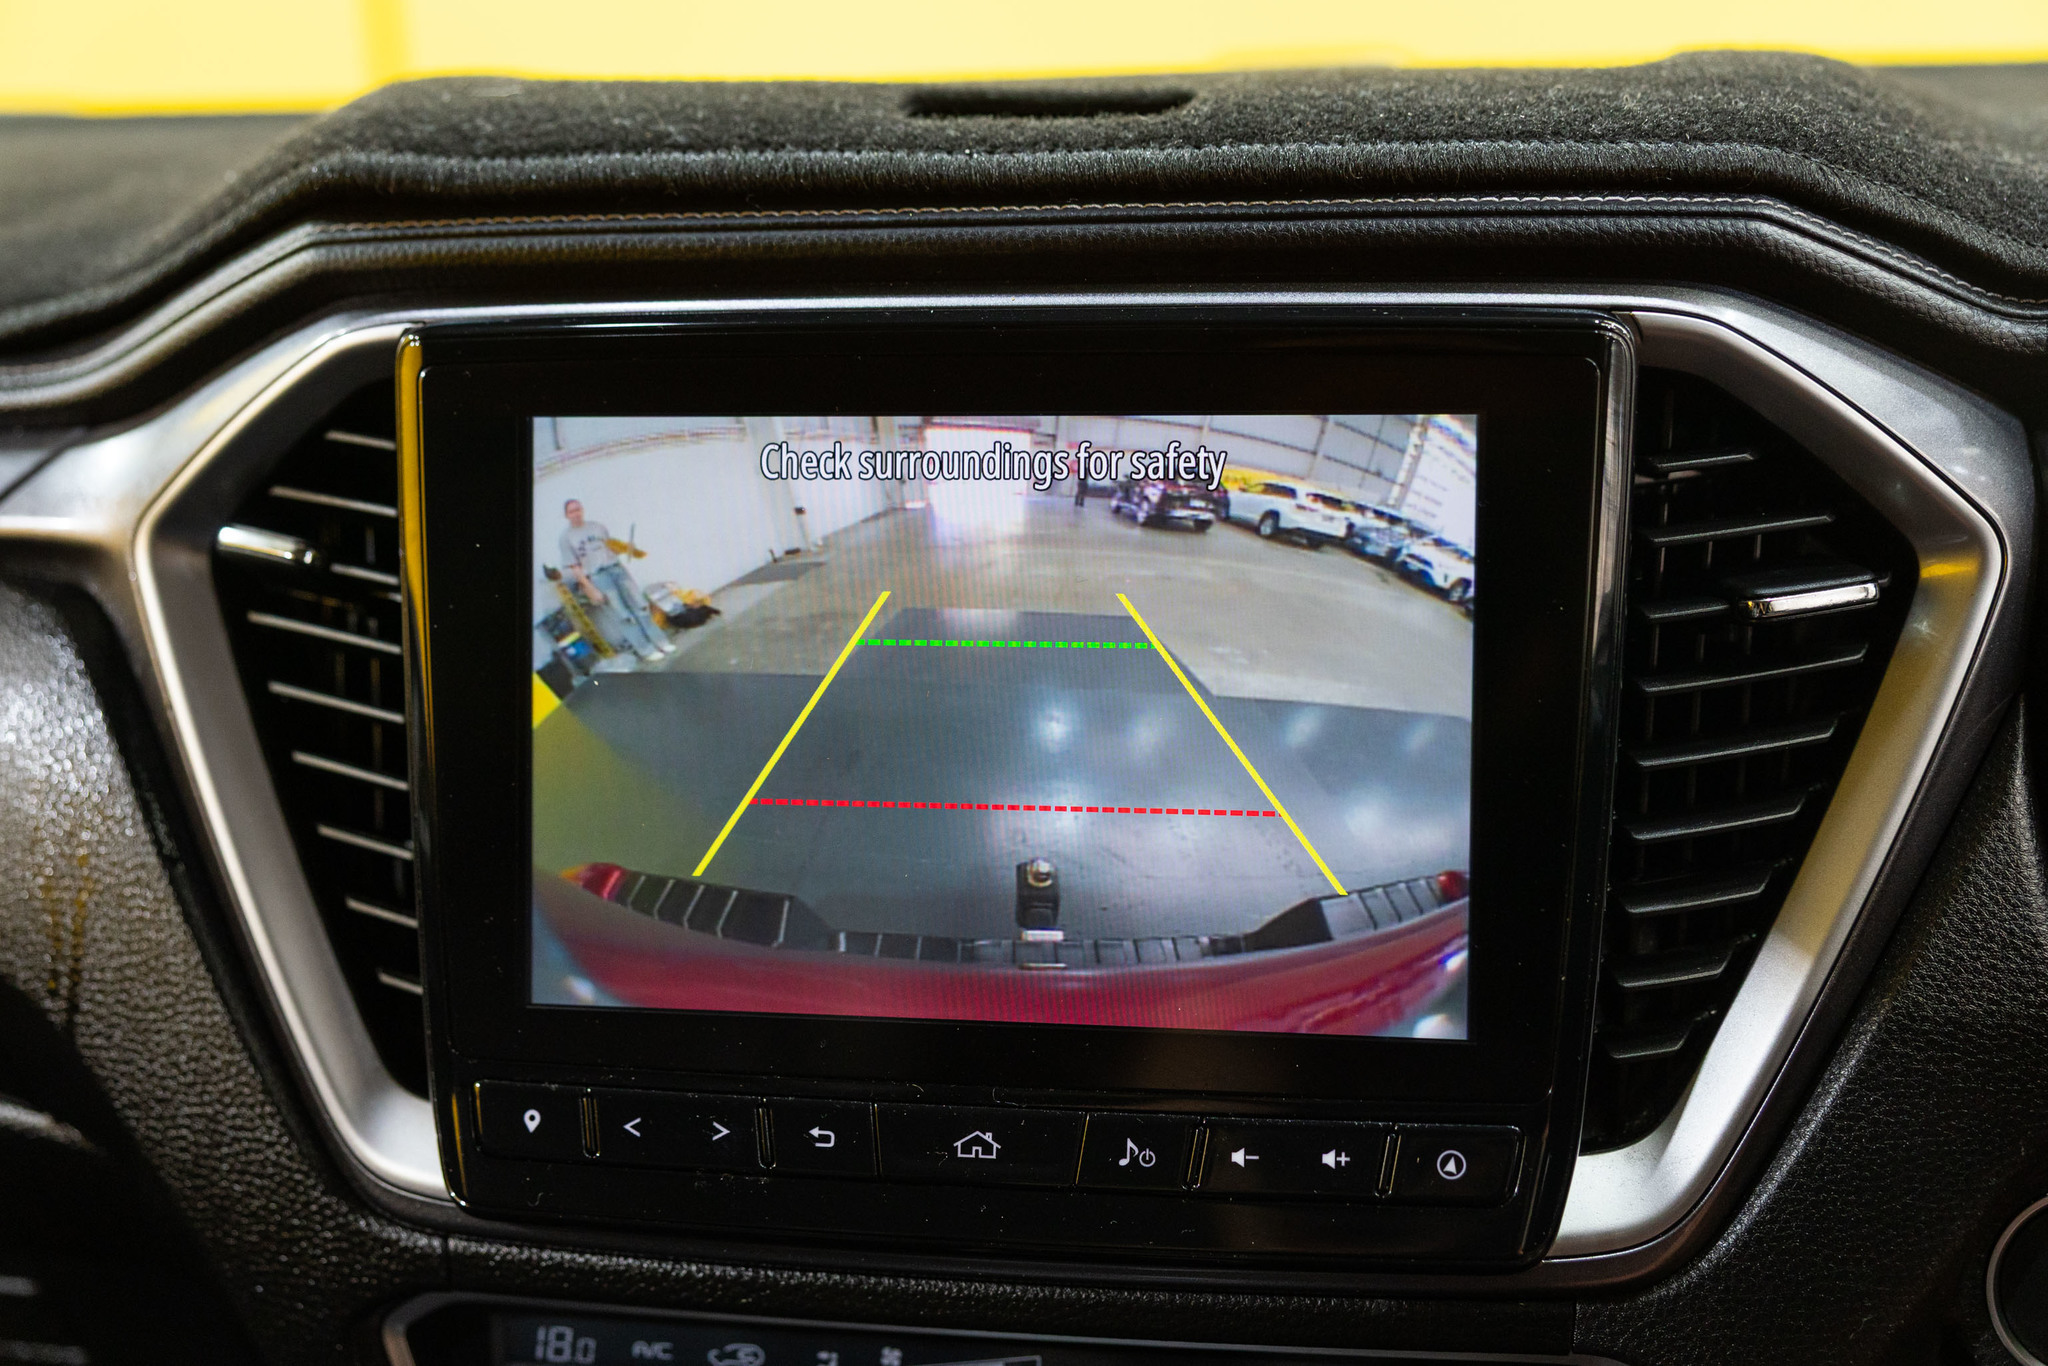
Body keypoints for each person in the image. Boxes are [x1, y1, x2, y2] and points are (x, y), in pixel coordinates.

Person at [557, 499, 673, 660]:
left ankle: (661, 642)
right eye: (571, 511)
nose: (576, 513)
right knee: (622, 614)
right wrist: (589, 588)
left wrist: (626, 548)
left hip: (617, 569)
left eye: (578, 509)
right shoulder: (566, 538)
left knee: (640, 605)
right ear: (566, 515)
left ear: (582, 510)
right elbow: (574, 567)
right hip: (598, 576)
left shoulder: (597, 527)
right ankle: (646, 650)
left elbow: (611, 548)